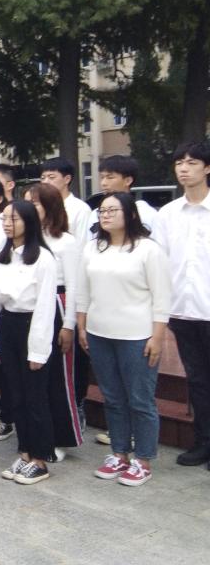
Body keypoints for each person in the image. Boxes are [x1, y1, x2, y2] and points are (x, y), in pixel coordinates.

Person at [78, 193, 171, 486]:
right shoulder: (93, 248)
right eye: (102, 211)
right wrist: (82, 326)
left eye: (112, 210)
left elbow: (162, 297)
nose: (105, 215)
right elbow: (83, 291)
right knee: (113, 398)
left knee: (140, 400)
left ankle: (143, 459)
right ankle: (119, 454)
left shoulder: (147, 249)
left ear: (130, 214)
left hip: (137, 336)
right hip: (100, 333)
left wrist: (157, 337)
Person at [0, 201, 58, 486]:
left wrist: (38, 350)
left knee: (35, 397)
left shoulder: (43, 258)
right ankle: (25, 452)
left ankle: (40, 459)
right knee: (15, 395)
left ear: (29, 222)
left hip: (32, 326)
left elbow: (45, 307)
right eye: (4, 218)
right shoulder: (1, 256)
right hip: (7, 324)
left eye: (13, 219)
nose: (7, 223)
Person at [153, 141, 210, 468]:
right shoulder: (168, 214)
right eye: (179, 163)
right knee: (198, 381)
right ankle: (203, 443)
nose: (184, 169)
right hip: (183, 312)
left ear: (207, 167)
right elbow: (160, 264)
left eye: (192, 162)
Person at [23, 183, 85, 454]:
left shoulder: (65, 241)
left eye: (34, 203)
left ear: (50, 206)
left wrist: (69, 325)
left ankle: (61, 438)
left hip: (58, 306)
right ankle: (36, 437)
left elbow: (73, 285)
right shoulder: (26, 240)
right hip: (29, 308)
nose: (28, 208)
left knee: (58, 378)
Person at [84, 155, 158, 235]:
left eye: (110, 177)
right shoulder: (95, 215)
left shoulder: (146, 213)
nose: (103, 183)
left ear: (128, 181)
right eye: (102, 177)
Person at [39, 157, 91, 240]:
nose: (45, 182)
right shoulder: (40, 207)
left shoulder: (80, 209)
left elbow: (83, 242)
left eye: (51, 177)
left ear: (67, 179)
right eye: (43, 178)